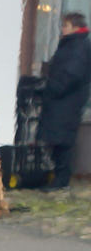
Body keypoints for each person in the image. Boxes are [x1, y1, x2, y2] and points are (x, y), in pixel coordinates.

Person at [38, 11, 89, 190]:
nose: (62, 29)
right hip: (63, 101)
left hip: (66, 101)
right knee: (58, 138)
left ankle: (61, 180)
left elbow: (71, 74)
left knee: (63, 141)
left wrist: (53, 88)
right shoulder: (72, 44)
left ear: (75, 27)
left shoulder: (78, 47)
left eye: (65, 25)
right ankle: (58, 178)